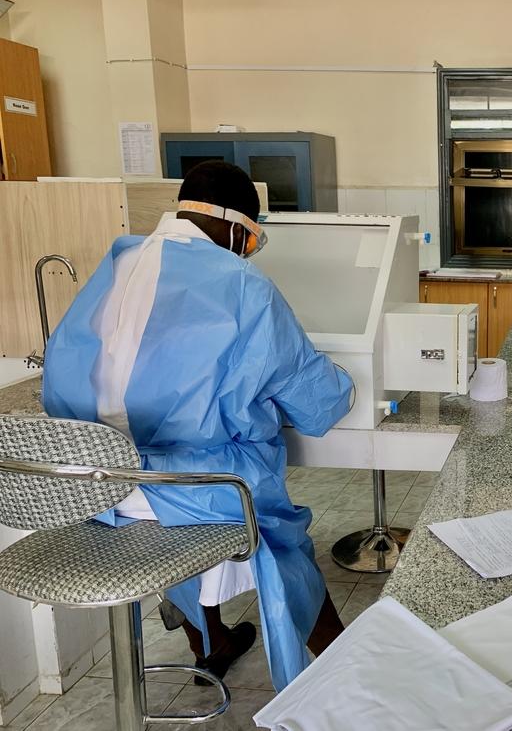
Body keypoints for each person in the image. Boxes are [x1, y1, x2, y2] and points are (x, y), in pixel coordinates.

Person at [42, 161, 355, 691]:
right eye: (250, 239)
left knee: (178, 514)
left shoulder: (115, 264)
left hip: (89, 486)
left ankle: (210, 643)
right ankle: (347, 669)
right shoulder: (241, 284)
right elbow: (317, 405)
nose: (247, 250)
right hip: (191, 489)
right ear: (237, 226)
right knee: (278, 528)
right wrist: (345, 381)